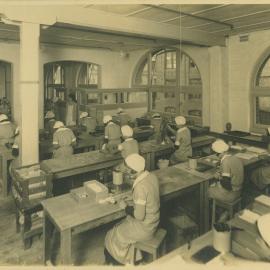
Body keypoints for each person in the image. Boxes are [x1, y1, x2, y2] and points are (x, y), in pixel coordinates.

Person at [104, 153, 160, 265]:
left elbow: (139, 216)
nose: (127, 174)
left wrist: (125, 206)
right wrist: (133, 197)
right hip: (154, 222)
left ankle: (121, 263)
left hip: (144, 228)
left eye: (128, 171)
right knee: (121, 225)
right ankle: (135, 257)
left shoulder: (140, 187)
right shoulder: (151, 176)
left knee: (112, 234)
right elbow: (148, 195)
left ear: (133, 171)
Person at [209, 139, 244, 205]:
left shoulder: (225, 162)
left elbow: (226, 185)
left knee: (206, 191)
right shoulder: (235, 158)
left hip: (230, 194)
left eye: (217, 154)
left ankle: (215, 212)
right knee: (213, 185)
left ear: (221, 152)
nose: (217, 156)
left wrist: (218, 178)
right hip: (239, 191)